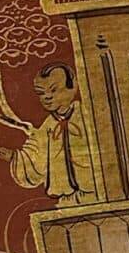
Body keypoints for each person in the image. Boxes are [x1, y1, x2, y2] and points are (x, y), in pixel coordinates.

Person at [5, 62, 100, 205]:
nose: (47, 97)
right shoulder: (48, 125)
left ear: (73, 86)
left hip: (97, 192)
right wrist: (12, 156)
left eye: (53, 90)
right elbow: (35, 155)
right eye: (41, 93)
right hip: (66, 199)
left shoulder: (88, 115)